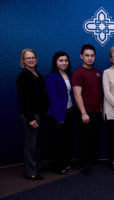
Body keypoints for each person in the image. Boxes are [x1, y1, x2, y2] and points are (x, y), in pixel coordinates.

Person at [16, 48, 49, 180]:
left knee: (38, 143)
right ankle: (30, 172)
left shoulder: (38, 74)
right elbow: (23, 99)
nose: (31, 60)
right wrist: (30, 118)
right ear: (23, 61)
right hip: (31, 115)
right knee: (30, 144)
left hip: (40, 114)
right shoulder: (23, 76)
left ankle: (36, 165)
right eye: (28, 58)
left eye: (33, 57)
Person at [72, 44, 102, 176]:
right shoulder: (78, 73)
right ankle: (84, 165)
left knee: (94, 138)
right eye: (87, 55)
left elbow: (98, 92)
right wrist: (83, 113)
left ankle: (90, 161)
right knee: (84, 140)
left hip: (96, 111)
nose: (90, 58)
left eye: (92, 55)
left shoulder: (96, 72)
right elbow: (77, 94)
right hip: (85, 112)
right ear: (81, 56)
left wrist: (100, 109)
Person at [45, 51, 74, 175]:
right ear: (55, 62)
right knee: (58, 142)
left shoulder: (69, 75)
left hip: (70, 111)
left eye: (66, 60)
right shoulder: (52, 76)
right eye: (61, 60)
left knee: (66, 140)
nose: (64, 63)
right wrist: (59, 117)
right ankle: (58, 166)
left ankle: (65, 163)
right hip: (58, 114)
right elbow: (53, 98)